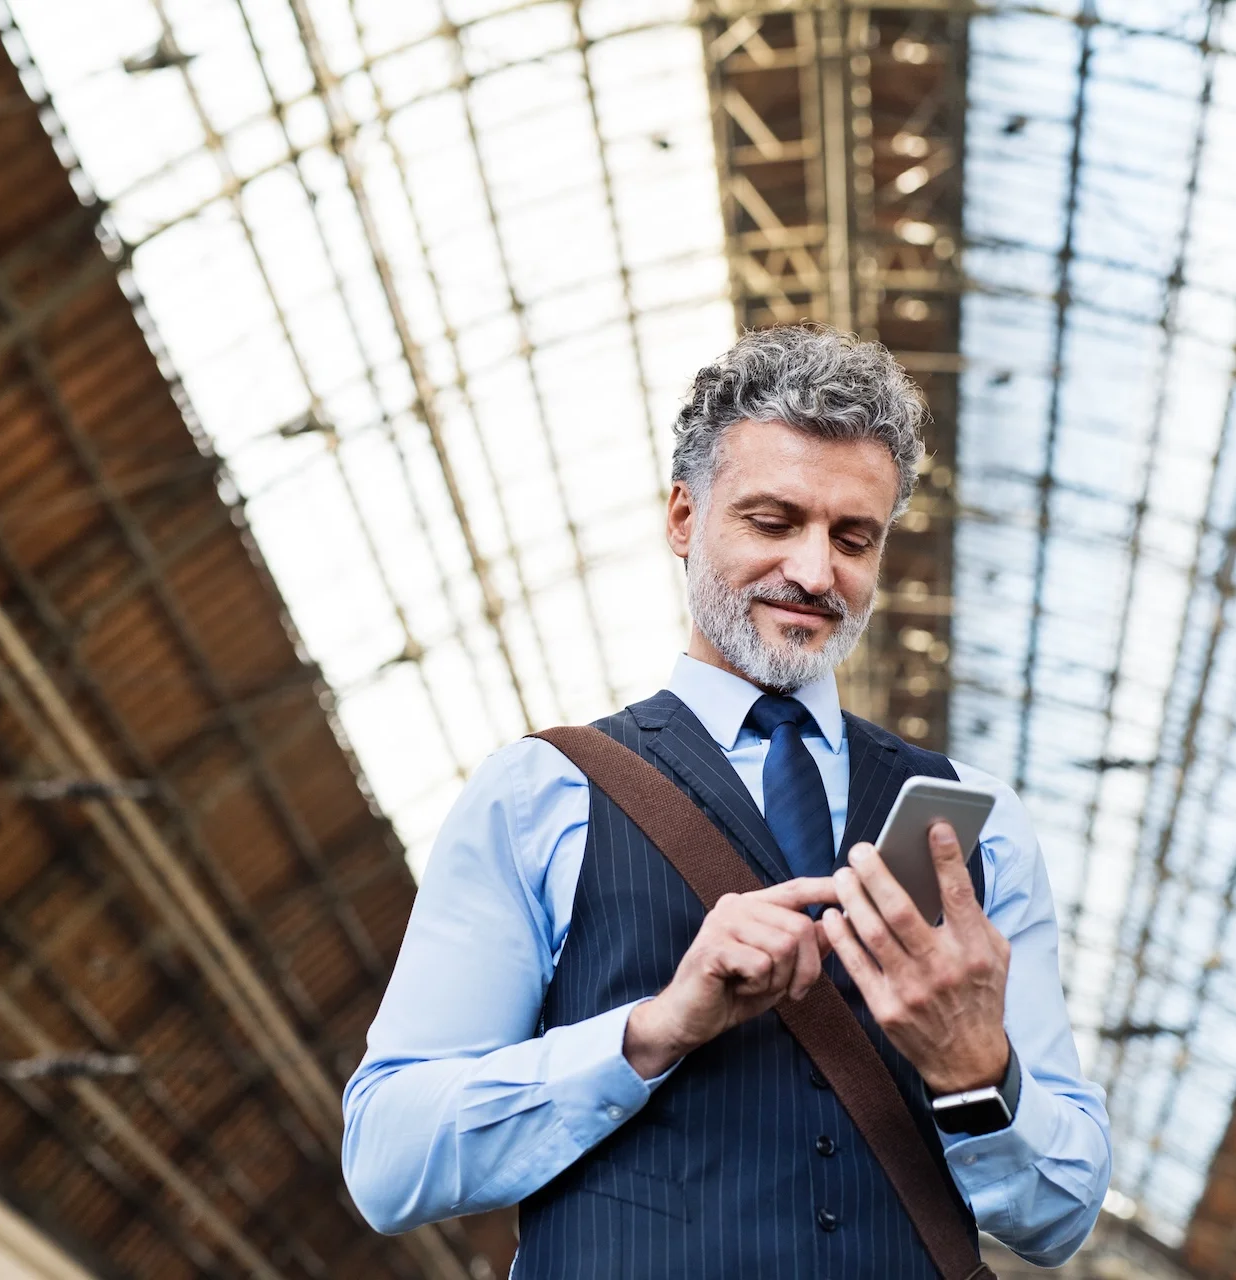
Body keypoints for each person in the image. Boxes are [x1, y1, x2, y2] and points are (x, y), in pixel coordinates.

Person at [342, 325, 1111, 1277]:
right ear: (682, 518)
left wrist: (972, 1071)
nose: (815, 573)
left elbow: (1064, 1211)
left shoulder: (968, 825)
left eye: (853, 537)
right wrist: (654, 1029)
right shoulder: (542, 793)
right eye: (773, 521)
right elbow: (387, 1156)